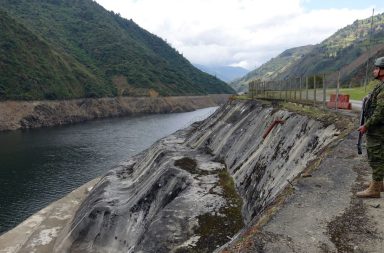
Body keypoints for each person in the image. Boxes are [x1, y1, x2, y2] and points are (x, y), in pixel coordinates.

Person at [356, 56, 384, 198]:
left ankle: (375, 189)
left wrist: (366, 126)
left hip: (378, 131)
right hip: (379, 129)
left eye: (377, 68)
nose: (374, 71)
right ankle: (379, 183)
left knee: (376, 157)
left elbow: (379, 113)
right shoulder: (381, 86)